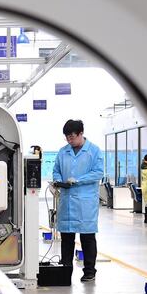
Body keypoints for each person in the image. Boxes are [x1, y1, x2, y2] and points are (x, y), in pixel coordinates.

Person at [52, 119, 104, 282]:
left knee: (87, 237)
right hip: (67, 200)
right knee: (66, 237)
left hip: (85, 201)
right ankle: (65, 270)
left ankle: (89, 271)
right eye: (67, 137)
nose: (69, 140)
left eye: (72, 137)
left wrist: (78, 180)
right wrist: (58, 181)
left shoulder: (94, 151)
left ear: (81, 134)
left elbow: (98, 173)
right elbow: (56, 171)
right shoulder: (63, 152)